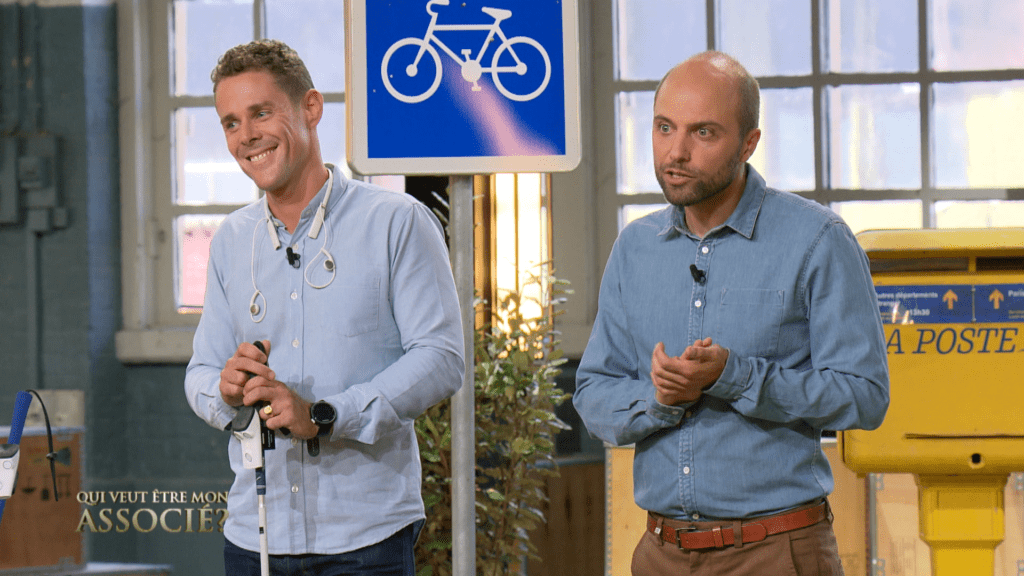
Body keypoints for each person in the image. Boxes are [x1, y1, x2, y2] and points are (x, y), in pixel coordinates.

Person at [573, 51, 889, 575]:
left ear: (749, 143)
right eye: (664, 127)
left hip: (776, 553)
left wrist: (736, 377)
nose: (675, 152)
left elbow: (865, 397)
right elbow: (593, 393)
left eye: (704, 133)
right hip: (660, 554)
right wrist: (659, 398)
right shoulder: (635, 247)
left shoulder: (818, 241)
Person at [184, 39, 465, 576]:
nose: (246, 137)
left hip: (364, 542)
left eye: (261, 113)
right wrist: (224, 390)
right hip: (254, 538)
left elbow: (441, 357)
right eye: (230, 123)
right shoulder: (230, 241)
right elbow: (200, 373)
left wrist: (324, 417)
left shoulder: (396, 222)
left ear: (311, 108)